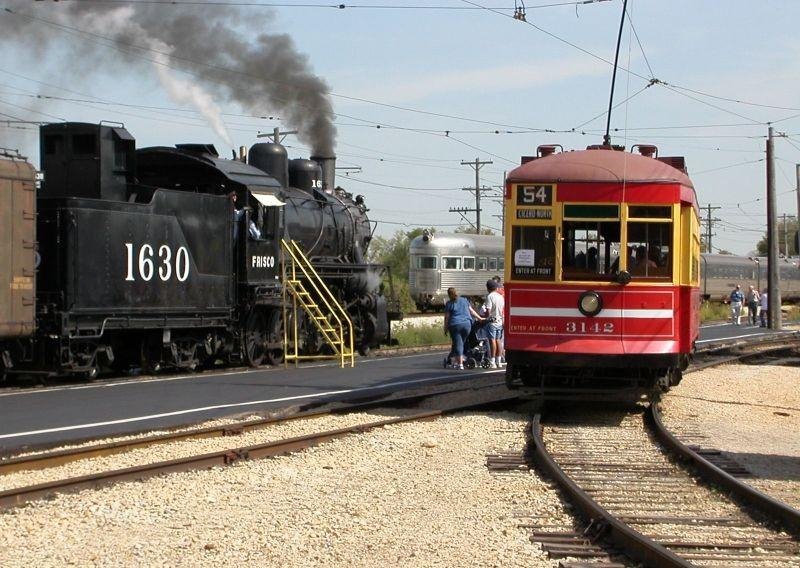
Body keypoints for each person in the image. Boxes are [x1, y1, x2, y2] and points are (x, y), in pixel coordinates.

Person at [443, 287, 482, 369]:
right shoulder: (464, 300)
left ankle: (460, 363)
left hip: (455, 325)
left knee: (459, 344)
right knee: (461, 343)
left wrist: (445, 328)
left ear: (449, 295)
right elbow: (472, 311)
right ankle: (457, 358)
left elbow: (447, 318)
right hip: (467, 325)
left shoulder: (449, 304)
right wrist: (480, 318)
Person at [483, 279, 505, 369]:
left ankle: (492, 361)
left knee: (492, 340)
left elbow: (488, 311)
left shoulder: (490, 297)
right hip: (500, 321)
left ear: (488, 288)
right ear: (495, 287)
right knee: (498, 340)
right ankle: (498, 361)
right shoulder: (500, 297)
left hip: (492, 321)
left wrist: (485, 316)